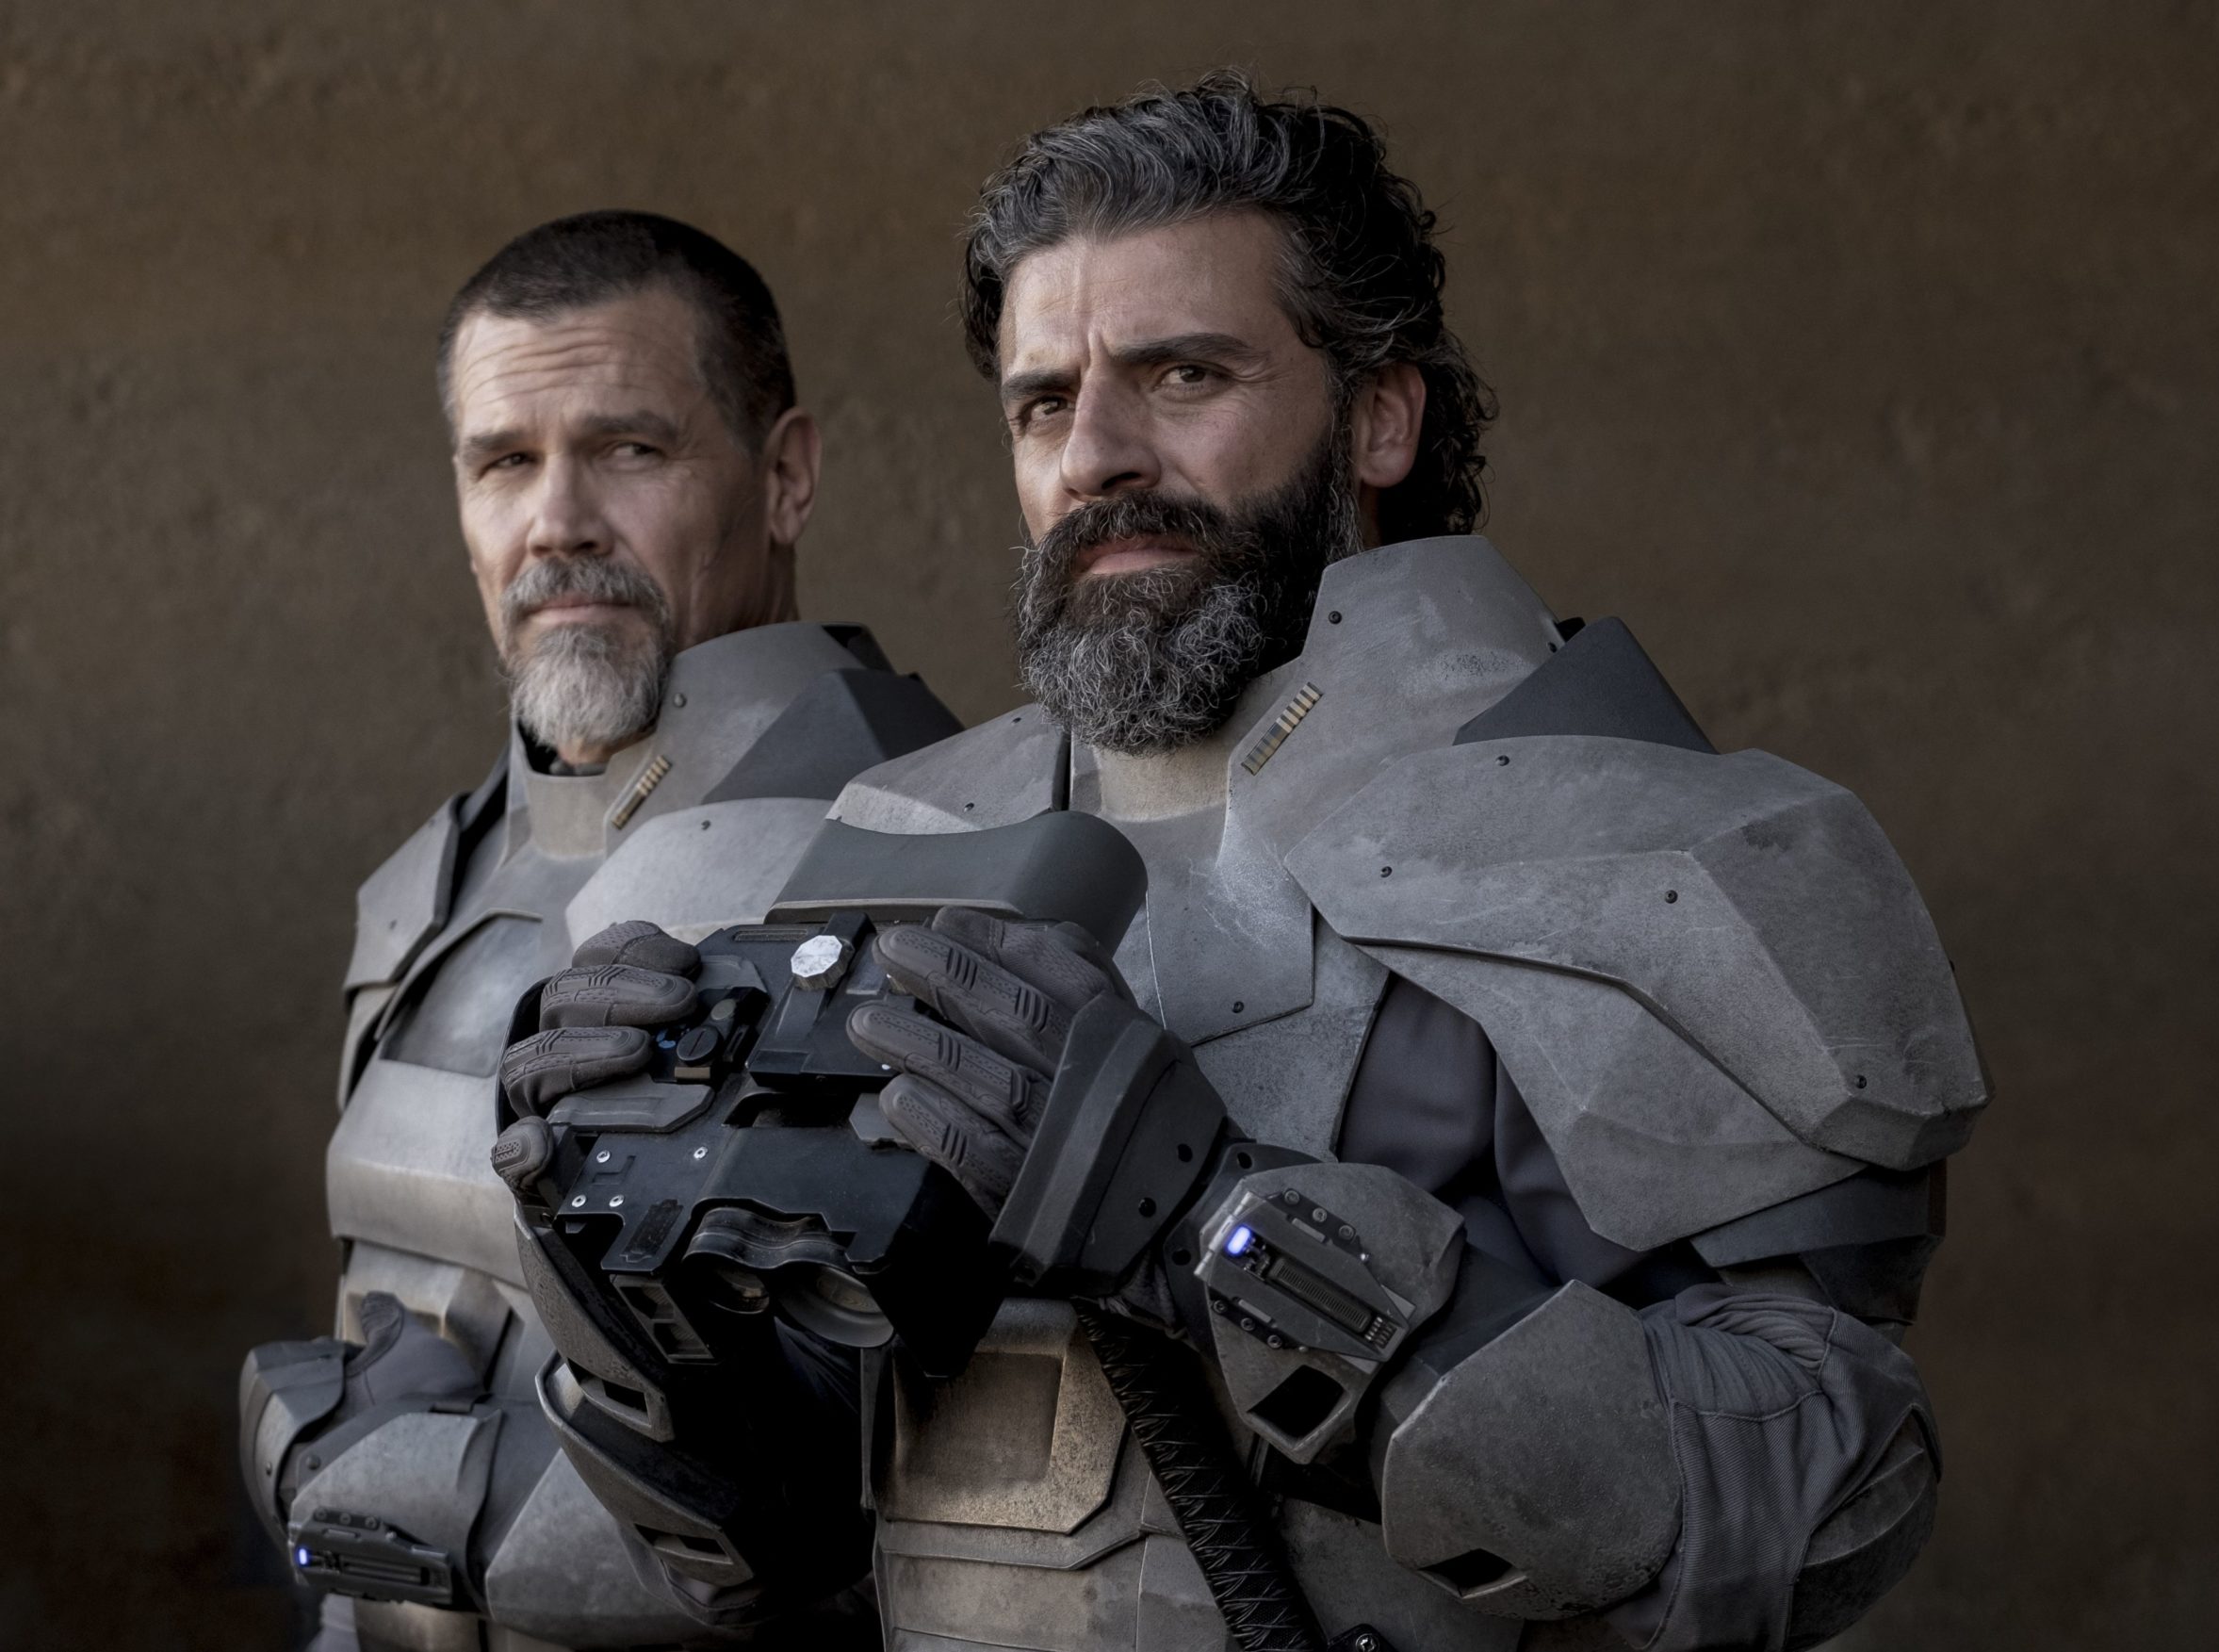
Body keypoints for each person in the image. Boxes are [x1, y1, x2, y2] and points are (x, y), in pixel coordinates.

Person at [503, 77, 1986, 1651]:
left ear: (1382, 418)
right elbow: (786, 1552)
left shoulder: (1645, 849)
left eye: (1185, 374)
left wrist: (1214, 1222)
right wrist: (621, 1296)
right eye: (1043, 405)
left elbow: (1822, 1501)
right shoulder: (886, 841)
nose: (1097, 455)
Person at [237, 210, 955, 1651]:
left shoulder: (926, 852)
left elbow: (881, 1507)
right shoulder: (430, 883)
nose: (555, 519)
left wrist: (390, 1484)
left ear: (786, 476)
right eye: (504, 461)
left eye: (628, 448)